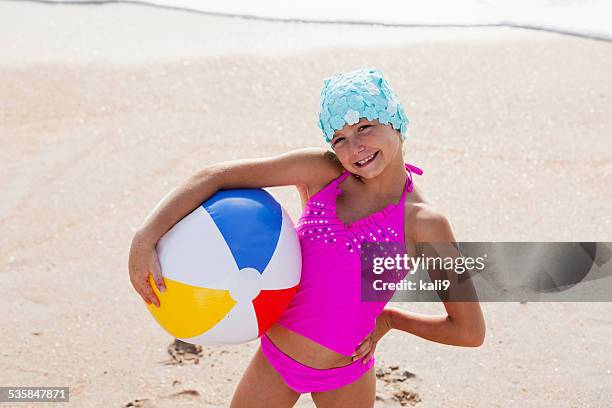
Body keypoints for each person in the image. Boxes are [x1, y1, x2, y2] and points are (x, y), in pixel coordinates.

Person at [129, 67, 485, 407]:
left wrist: (392, 320)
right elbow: (215, 177)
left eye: (365, 126)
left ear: (396, 121)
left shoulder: (423, 223)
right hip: (274, 362)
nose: (355, 147)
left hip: (347, 375)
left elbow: (469, 331)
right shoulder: (322, 174)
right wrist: (145, 239)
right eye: (340, 138)